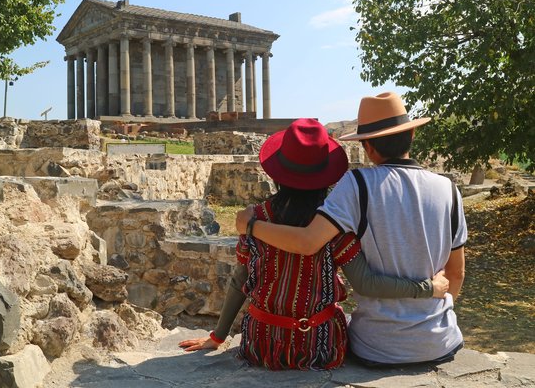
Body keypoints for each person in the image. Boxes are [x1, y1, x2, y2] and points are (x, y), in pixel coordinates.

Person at [180, 117, 449, 370]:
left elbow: (241, 280)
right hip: (319, 348)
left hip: (261, 345)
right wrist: (428, 288)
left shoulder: (256, 219)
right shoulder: (334, 225)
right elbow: (365, 282)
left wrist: (217, 336)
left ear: (277, 171)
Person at [235, 93, 467, 366]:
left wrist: (250, 225)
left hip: (376, 346)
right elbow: (456, 273)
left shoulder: (357, 183)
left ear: (367, 147)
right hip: (440, 341)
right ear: (412, 134)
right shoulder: (449, 189)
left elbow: (309, 242)